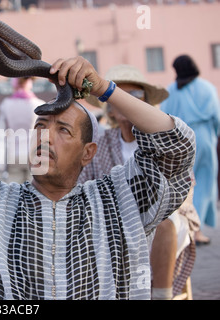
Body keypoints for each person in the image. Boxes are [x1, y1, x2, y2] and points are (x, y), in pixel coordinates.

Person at [0, 0, 195, 299]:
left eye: (63, 130)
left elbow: (176, 147)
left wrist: (104, 89)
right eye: (41, 126)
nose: (45, 137)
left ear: (88, 152)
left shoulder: (118, 203)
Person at [81, 64, 200, 299]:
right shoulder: (100, 143)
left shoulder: (161, 140)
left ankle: (161, 295)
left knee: (163, 221)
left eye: (134, 95)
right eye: (118, 95)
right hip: (115, 223)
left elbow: (183, 185)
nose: (126, 101)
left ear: (145, 101)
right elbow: (85, 184)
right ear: (110, 108)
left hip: (167, 217)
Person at [161, 54, 220, 245]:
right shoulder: (207, 88)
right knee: (204, 185)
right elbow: (218, 118)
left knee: (185, 186)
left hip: (180, 141)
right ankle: (197, 230)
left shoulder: (171, 91)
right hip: (204, 139)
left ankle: (186, 229)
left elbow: (163, 119)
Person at [0, 77, 45, 183]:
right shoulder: (39, 105)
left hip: (13, 156)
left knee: (15, 193)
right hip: (34, 155)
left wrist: (0, 164)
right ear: (30, 83)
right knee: (35, 191)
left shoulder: (6, 105)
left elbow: (1, 136)